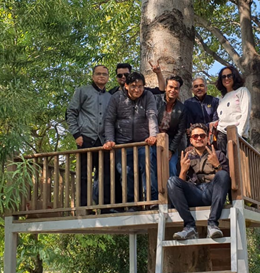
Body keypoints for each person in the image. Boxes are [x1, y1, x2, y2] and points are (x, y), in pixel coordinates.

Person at [103, 72, 159, 210]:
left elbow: (152, 116)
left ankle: (152, 200)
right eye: (133, 86)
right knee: (126, 172)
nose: (137, 90)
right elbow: (109, 120)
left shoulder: (148, 96)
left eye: (140, 86)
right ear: (126, 86)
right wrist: (110, 139)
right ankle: (133, 203)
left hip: (143, 142)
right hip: (123, 143)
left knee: (147, 170)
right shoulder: (116, 97)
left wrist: (154, 135)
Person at [168, 123, 230, 240]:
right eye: (195, 136)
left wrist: (217, 166)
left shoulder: (218, 154)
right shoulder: (186, 157)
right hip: (194, 193)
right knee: (172, 181)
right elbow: (180, 187)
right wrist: (183, 171)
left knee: (222, 174)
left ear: (207, 138)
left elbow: (226, 180)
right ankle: (189, 227)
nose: (199, 138)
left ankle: (212, 224)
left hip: (212, 193)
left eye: (202, 136)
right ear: (191, 140)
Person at [66, 65, 114, 208]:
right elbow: (71, 112)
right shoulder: (82, 91)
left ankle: (104, 206)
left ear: (108, 77)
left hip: (103, 141)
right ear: (93, 76)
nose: (101, 76)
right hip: (85, 138)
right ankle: (84, 206)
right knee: (84, 174)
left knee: (105, 175)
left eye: (104, 74)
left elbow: (111, 119)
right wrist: (76, 134)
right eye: (98, 74)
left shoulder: (109, 97)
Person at [155, 75, 187, 177]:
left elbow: (180, 131)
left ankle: (170, 192)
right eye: (170, 87)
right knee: (152, 169)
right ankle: (154, 193)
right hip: (153, 141)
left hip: (170, 143)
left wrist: (171, 150)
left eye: (176, 88)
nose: (173, 90)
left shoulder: (182, 108)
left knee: (171, 168)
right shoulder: (155, 100)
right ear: (166, 88)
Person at [214, 66, 251, 153]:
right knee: (223, 163)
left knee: (236, 163)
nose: (226, 78)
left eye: (229, 76)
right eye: (223, 76)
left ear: (234, 76)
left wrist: (239, 134)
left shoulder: (242, 91)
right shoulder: (222, 98)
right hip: (222, 134)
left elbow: (245, 113)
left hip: (237, 133)